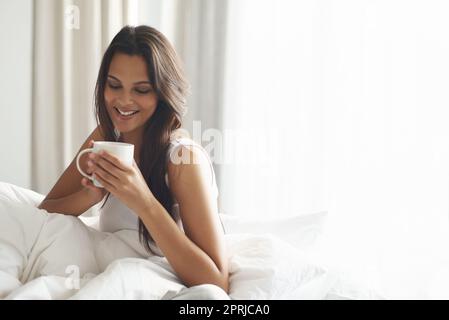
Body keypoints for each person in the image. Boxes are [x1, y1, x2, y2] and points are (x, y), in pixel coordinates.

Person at [0, 25, 229, 300]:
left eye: (141, 90)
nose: (123, 100)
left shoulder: (183, 160)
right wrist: (90, 195)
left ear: (163, 92)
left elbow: (216, 280)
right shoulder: (106, 137)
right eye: (114, 85)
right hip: (103, 261)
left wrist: (143, 201)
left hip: (150, 275)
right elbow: (45, 213)